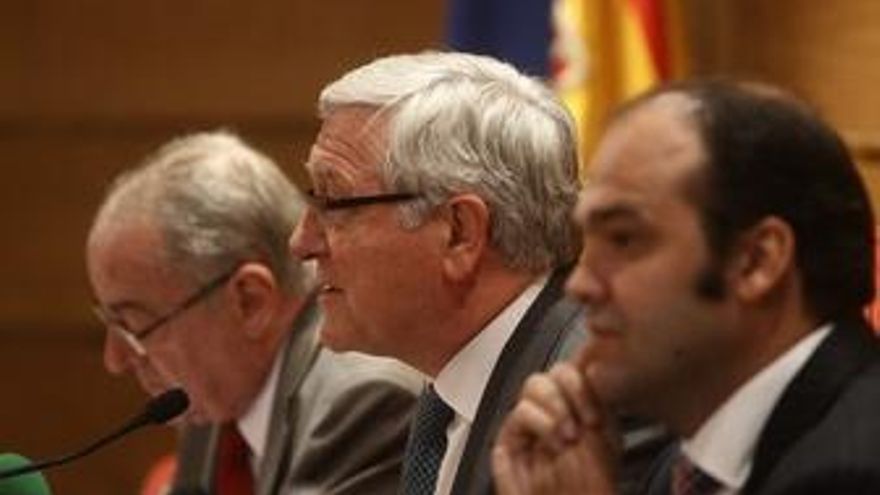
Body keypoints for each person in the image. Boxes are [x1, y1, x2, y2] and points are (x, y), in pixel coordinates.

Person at [289, 51, 664, 495]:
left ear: (459, 233)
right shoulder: (447, 396)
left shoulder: (591, 409)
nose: (301, 242)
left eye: (334, 203)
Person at [492, 80, 880, 494]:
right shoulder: (685, 462)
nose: (579, 286)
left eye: (623, 239)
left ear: (756, 261)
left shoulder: (853, 472)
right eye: (590, 241)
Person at [87, 131, 422, 495]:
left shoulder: (360, 404)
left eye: (135, 326)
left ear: (250, 301)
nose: (115, 360)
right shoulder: (218, 400)